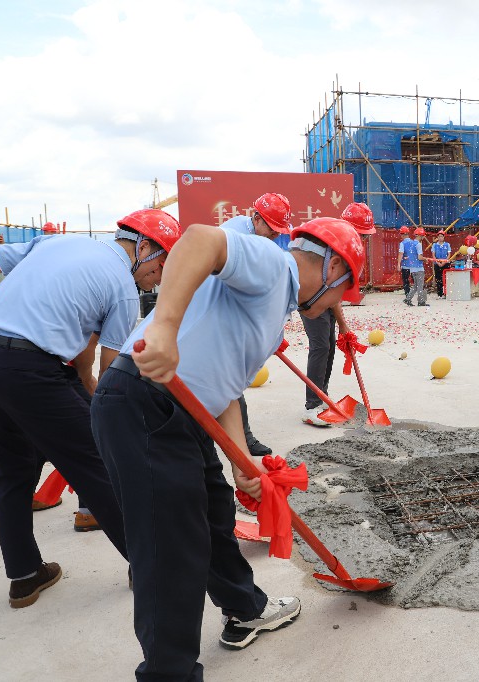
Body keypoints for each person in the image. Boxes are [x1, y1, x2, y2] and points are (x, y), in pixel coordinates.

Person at [91, 216, 364, 679]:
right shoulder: (277, 268)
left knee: (215, 514)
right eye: (345, 289)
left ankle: (245, 607)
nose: (340, 302)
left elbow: (227, 386)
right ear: (332, 265)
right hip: (145, 400)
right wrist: (165, 329)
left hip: (188, 410)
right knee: (170, 548)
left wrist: (241, 461)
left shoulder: (274, 306)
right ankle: (169, 672)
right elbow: (200, 239)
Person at [0, 208, 182, 608]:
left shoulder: (58, 242)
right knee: (99, 465)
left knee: (13, 471)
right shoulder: (123, 288)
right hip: (30, 372)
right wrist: (112, 421)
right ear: (143, 247)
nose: (160, 277)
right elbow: (110, 371)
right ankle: (151, 568)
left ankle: (25, 576)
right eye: (161, 264)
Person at [218, 192, 293, 450]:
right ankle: (243, 439)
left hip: (231, 315)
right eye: (272, 229)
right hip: (216, 313)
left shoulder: (262, 240)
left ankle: (241, 438)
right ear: (257, 218)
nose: (275, 236)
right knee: (229, 380)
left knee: (230, 381)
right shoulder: (235, 234)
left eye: (278, 232)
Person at [298, 201, 370, 427]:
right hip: (312, 298)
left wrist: (341, 325)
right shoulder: (334, 244)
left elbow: (334, 294)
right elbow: (328, 293)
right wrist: (344, 325)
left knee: (327, 346)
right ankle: (312, 405)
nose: (363, 239)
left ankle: (321, 397)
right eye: (362, 234)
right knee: (320, 346)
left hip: (324, 298)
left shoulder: (341, 242)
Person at [399, 227, 428, 306]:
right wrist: (425, 259)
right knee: (420, 285)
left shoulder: (411, 243)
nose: (423, 238)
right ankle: (421, 301)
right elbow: (419, 257)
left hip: (412, 268)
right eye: (422, 236)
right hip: (419, 267)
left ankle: (408, 299)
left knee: (415, 285)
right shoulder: (418, 244)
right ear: (420, 236)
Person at [431, 230, 452, 297]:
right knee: (438, 278)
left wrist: (444, 261)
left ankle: (446, 293)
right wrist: (437, 262)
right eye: (439, 236)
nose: (440, 238)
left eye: (441, 236)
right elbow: (433, 255)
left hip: (445, 263)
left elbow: (449, 254)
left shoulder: (447, 244)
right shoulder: (434, 245)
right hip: (437, 263)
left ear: (444, 237)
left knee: (446, 278)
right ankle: (440, 293)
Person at [397, 226, 412, 297]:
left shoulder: (402, 244)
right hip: (414, 265)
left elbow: (401, 253)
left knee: (406, 281)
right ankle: (420, 295)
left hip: (405, 265)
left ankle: (408, 295)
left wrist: (398, 264)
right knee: (416, 281)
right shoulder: (414, 242)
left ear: (402, 235)